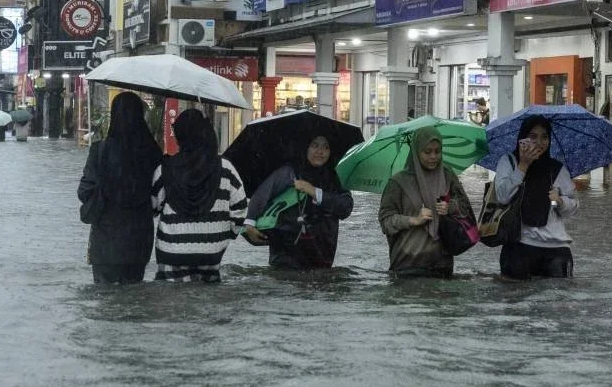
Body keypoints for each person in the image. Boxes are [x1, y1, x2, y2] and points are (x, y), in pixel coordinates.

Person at [151, 109, 247, 283]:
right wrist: (225, 235)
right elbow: (240, 209)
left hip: (172, 252)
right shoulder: (226, 168)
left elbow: (153, 207)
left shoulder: (165, 169)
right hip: (212, 254)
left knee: (172, 304)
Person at [77, 92, 162, 284]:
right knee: (134, 299)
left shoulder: (100, 150)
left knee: (105, 302)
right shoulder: (152, 151)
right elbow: (159, 195)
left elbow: (84, 191)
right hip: (139, 239)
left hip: (106, 239)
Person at [244, 134, 354, 269]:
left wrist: (314, 192)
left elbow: (346, 207)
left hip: (322, 255)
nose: (320, 152)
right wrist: (250, 223)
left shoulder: (335, 177)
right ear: (306, 148)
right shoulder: (290, 172)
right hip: (286, 256)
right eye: (315, 145)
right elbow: (262, 194)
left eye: (326, 147)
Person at [378, 126, 474, 278]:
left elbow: (466, 208)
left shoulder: (447, 176)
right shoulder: (398, 183)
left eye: (437, 151)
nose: (433, 156)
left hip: (442, 265)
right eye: (427, 152)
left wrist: (450, 207)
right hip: (408, 265)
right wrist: (413, 220)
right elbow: (385, 221)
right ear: (416, 152)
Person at [492, 115, 578, 280]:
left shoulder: (557, 169)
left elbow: (572, 207)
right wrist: (523, 166)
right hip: (519, 246)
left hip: (556, 248)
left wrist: (559, 201)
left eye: (544, 137)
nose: (539, 142)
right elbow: (502, 196)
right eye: (533, 136)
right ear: (522, 138)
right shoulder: (509, 162)